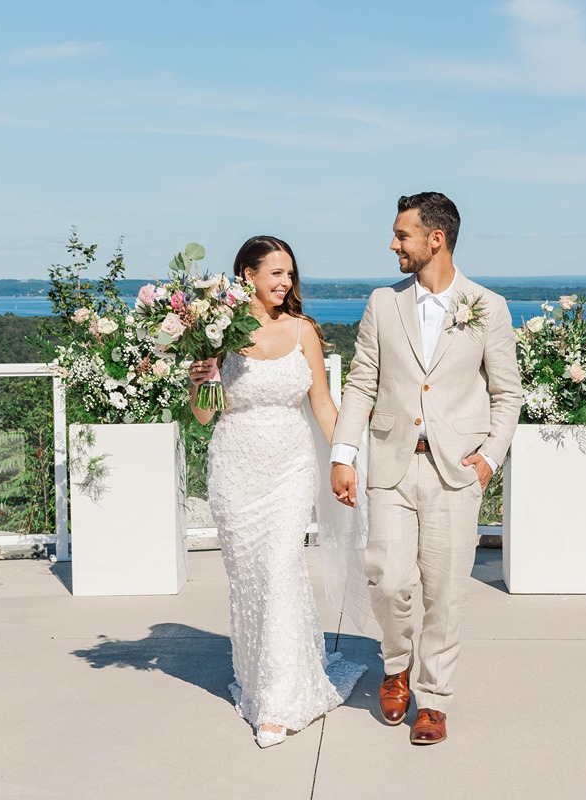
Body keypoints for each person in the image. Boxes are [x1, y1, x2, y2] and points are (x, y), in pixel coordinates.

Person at [330, 192, 522, 745]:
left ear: (434, 239)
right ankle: (396, 666)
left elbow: (507, 394)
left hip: (455, 472)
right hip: (391, 465)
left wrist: (489, 459)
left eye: (402, 235)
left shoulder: (488, 306)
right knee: (388, 582)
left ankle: (433, 700)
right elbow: (363, 381)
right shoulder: (381, 303)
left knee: (444, 592)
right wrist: (344, 454)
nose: (393, 244)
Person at [189, 235, 366, 749]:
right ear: (247, 275)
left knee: (280, 570)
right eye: (276, 273)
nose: (286, 282)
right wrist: (201, 377)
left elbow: (324, 406)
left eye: (290, 273)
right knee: (249, 580)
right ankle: (258, 678)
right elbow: (202, 414)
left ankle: (281, 702)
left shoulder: (304, 330)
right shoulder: (216, 334)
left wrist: (346, 457)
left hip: (290, 469)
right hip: (235, 471)